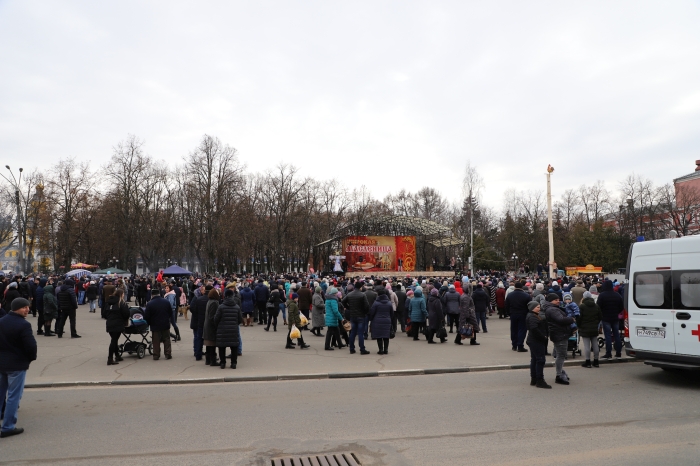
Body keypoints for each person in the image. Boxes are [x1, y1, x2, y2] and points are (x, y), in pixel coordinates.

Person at [0, 298, 37, 438]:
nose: (27, 310)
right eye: (24, 307)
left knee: (0, 394)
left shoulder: (1, 321)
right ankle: (8, 427)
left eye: (28, 307)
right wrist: (30, 358)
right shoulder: (23, 325)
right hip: (16, 365)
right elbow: (31, 346)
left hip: (1, 364)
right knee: (14, 396)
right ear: (16, 308)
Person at [543, 293, 574, 385]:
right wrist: (571, 319)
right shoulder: (552, 309)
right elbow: (561, 320)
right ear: (550, 301)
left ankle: (560, 371)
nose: (558, 301)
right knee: (561, 355)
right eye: (555, 300)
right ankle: (559, 375)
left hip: (558, 333)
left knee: (559, 354)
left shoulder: (552, 308)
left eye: (558, 299)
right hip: (560, 334)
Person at [214, 288, 242, 369]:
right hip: (233, 330)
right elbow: (240, 319)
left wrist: (218, 326)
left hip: (222, 330)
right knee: (234, 347)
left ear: (225, 296)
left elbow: (216, 319)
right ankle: (233, 363)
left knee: (222, 347)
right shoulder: (236, 307)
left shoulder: (221, 307)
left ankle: (223, 363)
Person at [526, 301, 550, 388]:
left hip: (534, 340)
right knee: (540, 360)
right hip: (536, 341)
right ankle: (539, 380)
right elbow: (534, 329)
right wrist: (543, 337)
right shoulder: (532, 316)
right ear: (532, 308)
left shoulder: (533, 315)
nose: (539, 309)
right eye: (537, 307)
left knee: (535, 359)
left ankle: (534, 379)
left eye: (539, 307)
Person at [597, 279, 623, 360]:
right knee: (617, 335)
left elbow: (598, 307)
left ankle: (608, 353)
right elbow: (621, 307)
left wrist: (602, 314)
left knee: (607, 336)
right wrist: (616, 312)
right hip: (615, 317)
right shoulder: (617, 295)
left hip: (605, 318)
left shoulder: (602, 295)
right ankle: (618, 352)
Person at [341, 284, 370, 355]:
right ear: (360, 287)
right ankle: (362, 349)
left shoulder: (349, 294)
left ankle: (352, 348)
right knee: (360, 333)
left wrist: (349, 308)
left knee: (352, 333)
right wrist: (365, 312)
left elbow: (343, 302)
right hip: (361, 315)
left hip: (353, 315)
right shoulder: (362, 295)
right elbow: (367, 305)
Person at [144, 292, 173, 360]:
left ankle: (156, 355)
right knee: (166, 339)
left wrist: (148, 323)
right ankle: (168, 353)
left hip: (155, 325)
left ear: (152, 295)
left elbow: (147, 316)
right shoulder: (166, 302)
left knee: (156, 340)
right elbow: (170, 313)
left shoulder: (150, 303)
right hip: (165, 323)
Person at [104, 289, 129, 365]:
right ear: (121, 294)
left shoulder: (108, 302)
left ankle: (117, 355)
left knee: (114, 340)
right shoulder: (121, 303)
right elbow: (126, 314)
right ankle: (110, 358)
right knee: (114, 341)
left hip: (109, 323)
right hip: (118, 323)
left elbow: (104, 313)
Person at [578, 291, 603, 368]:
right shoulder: (596, 306)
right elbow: (600, 317)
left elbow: (579, 318)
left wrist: (579, 325)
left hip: (584, 327)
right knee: (595, 344)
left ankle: (588, 362)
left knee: (586, 346)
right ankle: (596, 361)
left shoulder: (582, 306)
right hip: (594, 327)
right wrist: (596, 323)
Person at [504, 281, 530, 352]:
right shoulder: (526, 295)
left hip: (513, 314)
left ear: (515, 287)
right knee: (522, 330)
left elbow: (506, 305)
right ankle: (520, 345)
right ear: (522, 287)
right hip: (523, 314)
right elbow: (529, 306)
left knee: (514, 330)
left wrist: (509, 313)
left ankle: (514, 345)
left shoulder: (510, 295)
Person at [368, 287, 393, 354]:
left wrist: (371, 319)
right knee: (386, 336)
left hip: (377, 320)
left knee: (379, 336)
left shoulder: (376, 303)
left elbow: (372, 312)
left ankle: (380, 350)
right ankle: (386, 349)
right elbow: (392, 313)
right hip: (387, 320)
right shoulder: (389, 303)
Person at [189, 283, 209, 361]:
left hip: (201, 320)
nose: (204, 291)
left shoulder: (203, 298)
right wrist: (198, 313)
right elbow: (192, 308)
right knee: (197, 337)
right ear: (200, 290)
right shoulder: (196, 297)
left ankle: (199, 351)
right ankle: (196, 351)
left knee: (200, 337)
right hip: (196, 320)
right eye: (203, 290)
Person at [202, 289, 220, 366]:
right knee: (212, 344)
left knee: (209, 345)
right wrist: (216, 324)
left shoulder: (209, 302)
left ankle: (208, 359)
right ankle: (213, 361)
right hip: (211, 327)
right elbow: (212, 317)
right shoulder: (214, 303)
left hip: (207, 325)